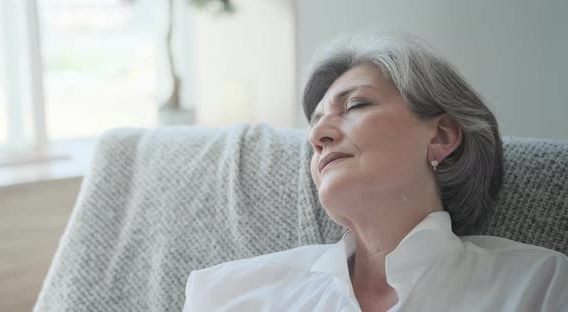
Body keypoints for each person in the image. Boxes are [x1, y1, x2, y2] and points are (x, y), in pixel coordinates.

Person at [183, 31, 568, 311]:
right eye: (315, 123)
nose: (316, 135)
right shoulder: (228, 294)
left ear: (442, 136)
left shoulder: (540, 286)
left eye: (355, 105)